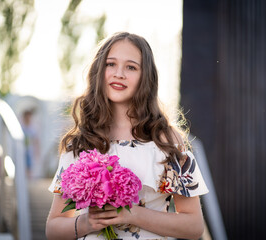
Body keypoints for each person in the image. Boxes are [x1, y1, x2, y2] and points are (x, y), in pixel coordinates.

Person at [46, 32, 209, 240]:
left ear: (145, 77)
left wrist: (132, 214)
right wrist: (86, 222)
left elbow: (194, 226)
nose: (119, 74)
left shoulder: (166, 142)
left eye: (131, 67)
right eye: (110, 64)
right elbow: (53, 229)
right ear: (99, 70)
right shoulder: (81, 142)